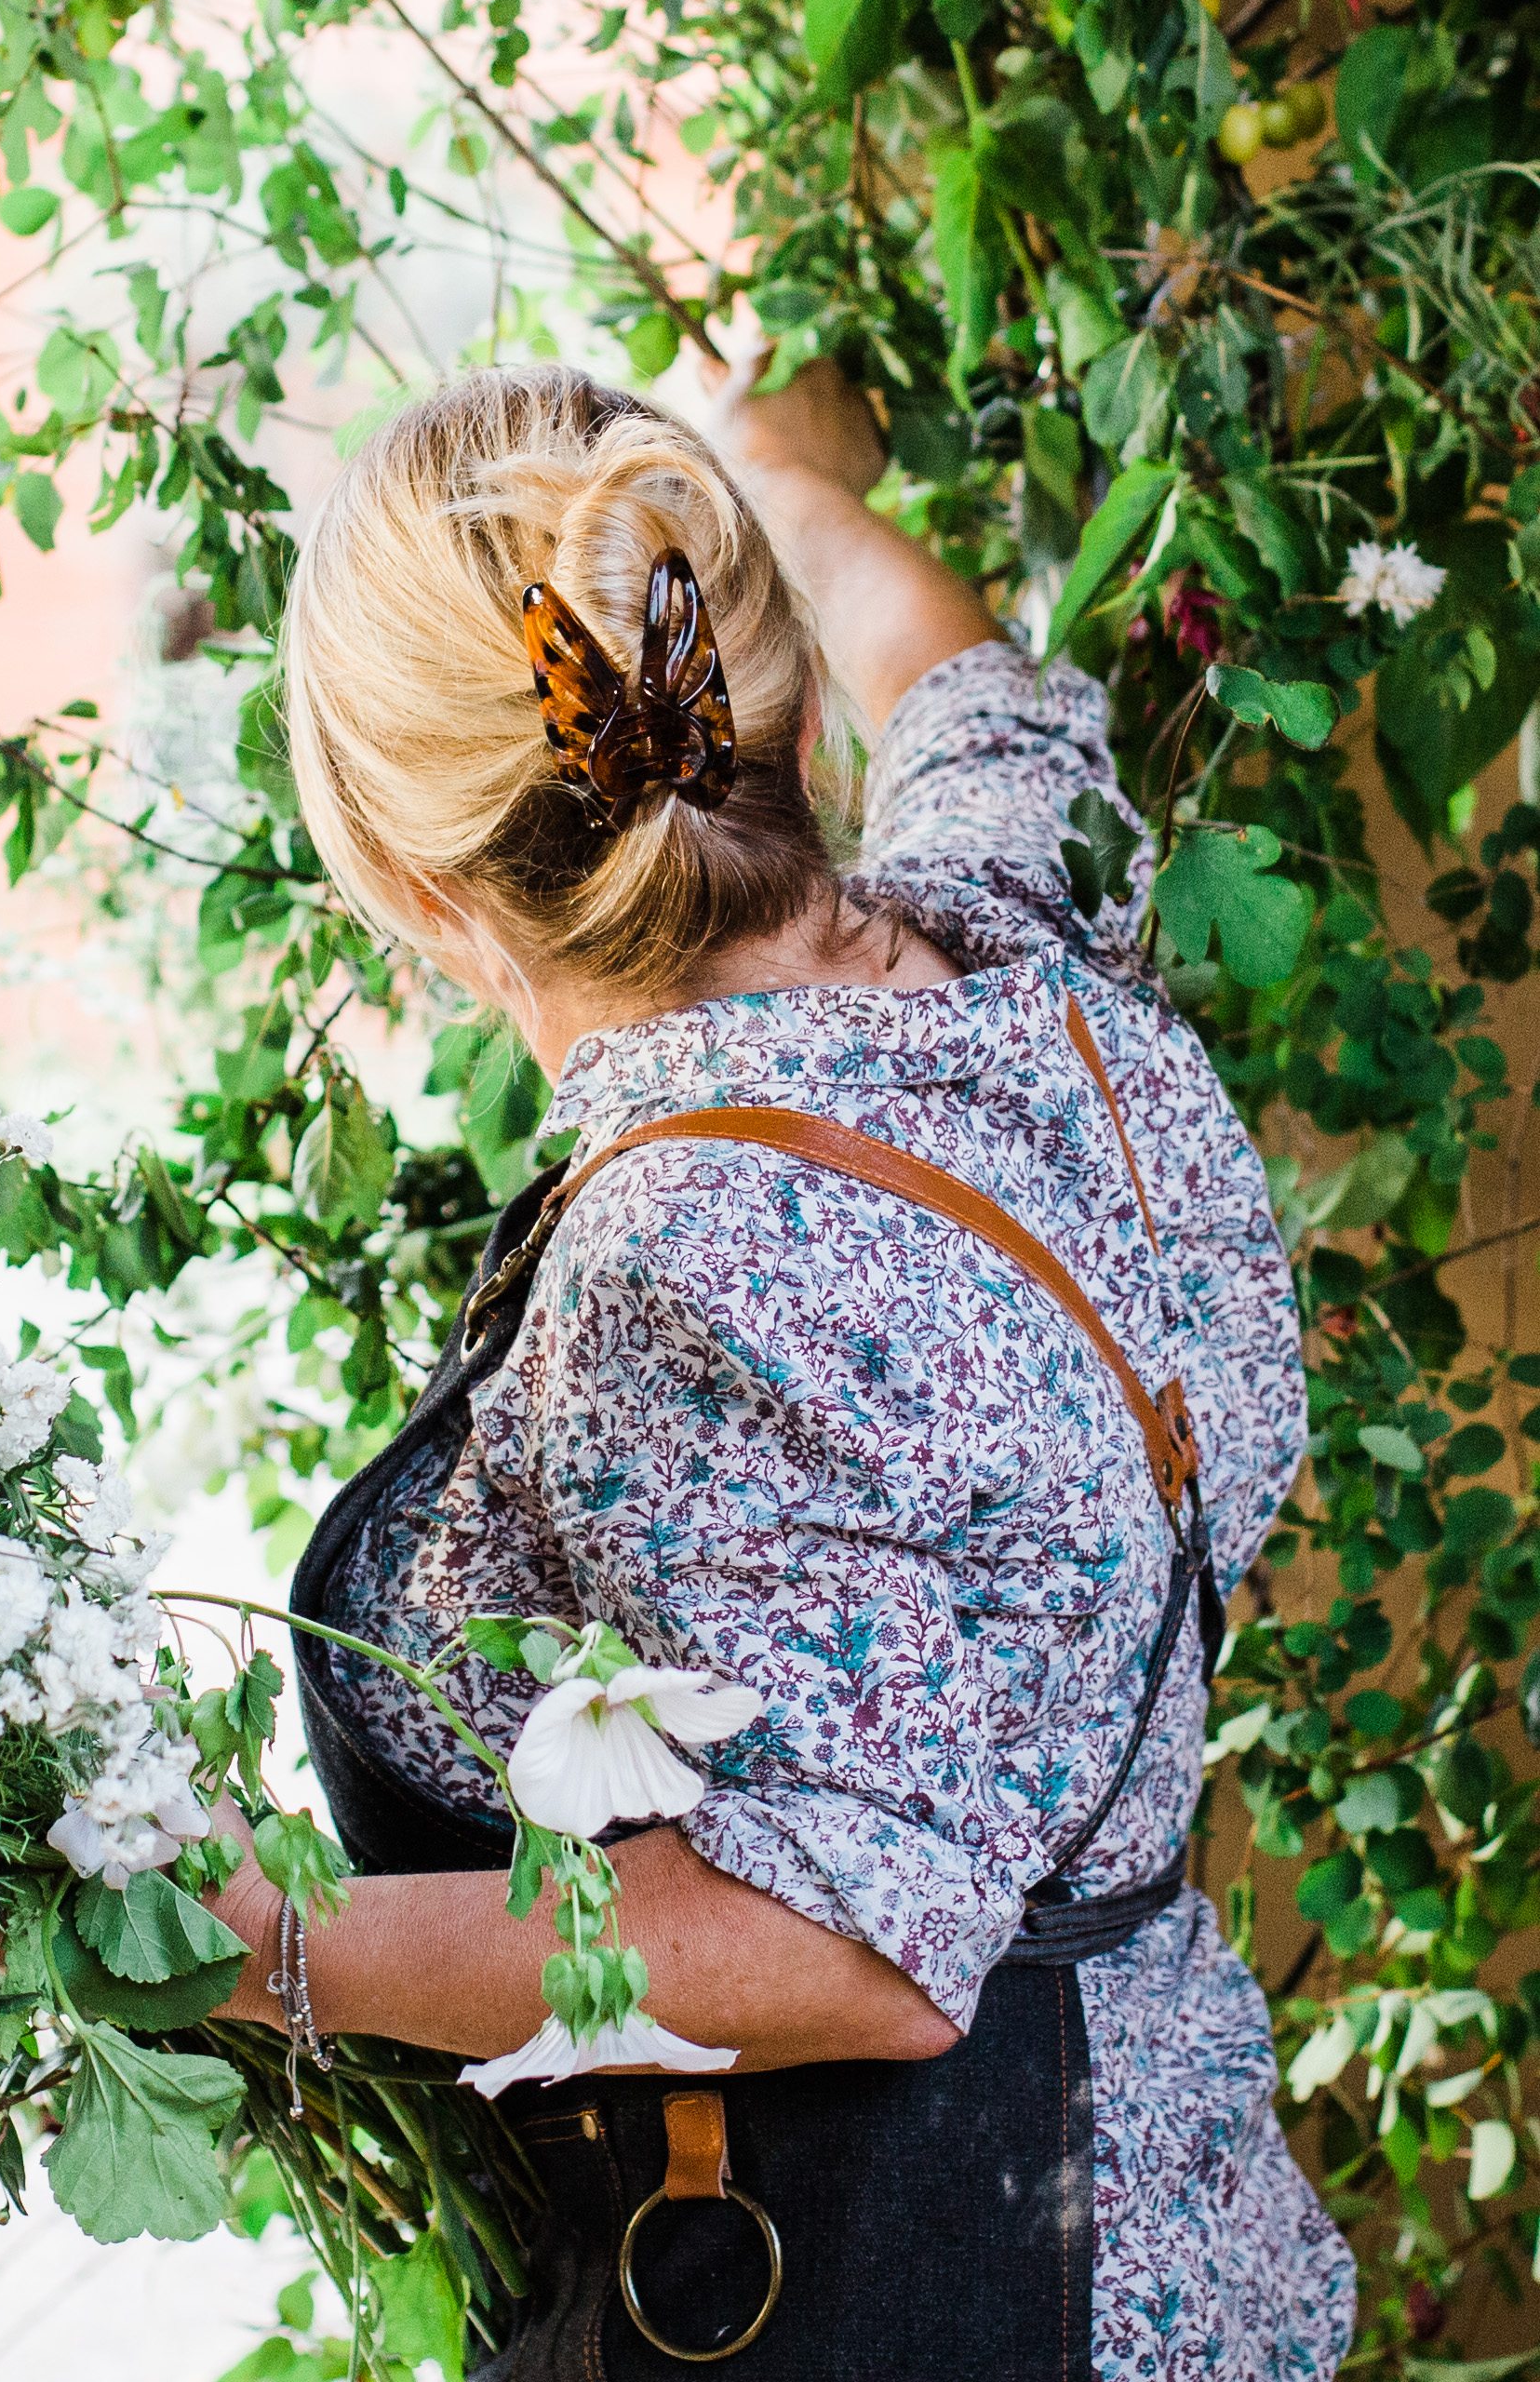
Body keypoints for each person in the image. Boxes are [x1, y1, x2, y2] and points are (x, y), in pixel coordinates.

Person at [206, 357, 1351, 2379]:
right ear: (791, 698)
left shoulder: (683, 1260)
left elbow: (856, 1941)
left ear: (412, 895)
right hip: (1181, 2236)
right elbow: (977, 682)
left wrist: (275, 1954)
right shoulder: (1036, 951)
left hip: (923, 2290)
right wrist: (799, 488)